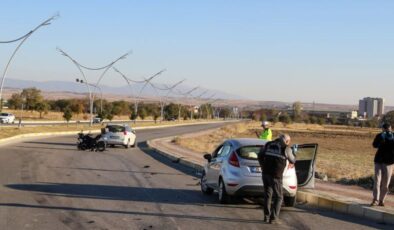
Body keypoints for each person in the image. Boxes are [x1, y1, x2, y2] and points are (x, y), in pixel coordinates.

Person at [258, 134, 296, 224]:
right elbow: (293, 160)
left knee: (268, 195)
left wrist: (263, 166)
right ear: (286, 141)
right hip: (276, 176)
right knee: (279, 197)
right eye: (288, 142)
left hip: (265, 174)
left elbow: (259, 155)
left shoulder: (268, 144)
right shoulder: (286, 148)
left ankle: (266, 216)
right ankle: (273, 218)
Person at [371, 123, 394, 206]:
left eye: (389, 129)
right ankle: (375, 199)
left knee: (386, 182)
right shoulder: (379, 136)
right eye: (386, 130)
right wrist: (381, 137)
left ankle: (382, 200)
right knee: (377, 180)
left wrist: (391, 138)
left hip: (389, 162)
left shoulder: (393, 136)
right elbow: (374, 145)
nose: (388, 131)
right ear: (382, 129)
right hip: (379, 161)